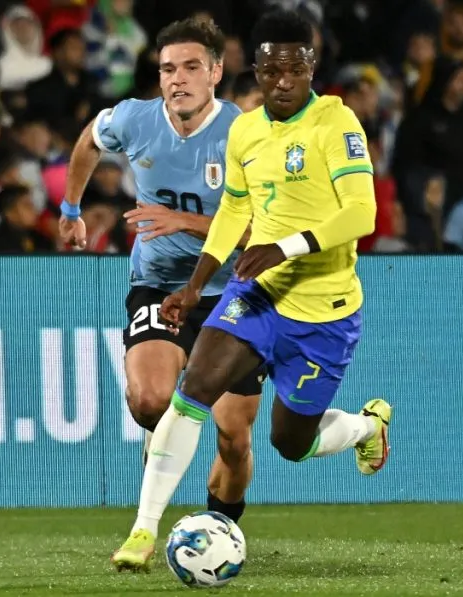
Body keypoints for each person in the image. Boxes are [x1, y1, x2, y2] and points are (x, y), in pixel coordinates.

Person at [106, 9, 391, 572]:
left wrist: (286, 247)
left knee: (292, 442)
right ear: (254, 69)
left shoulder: (337, 124)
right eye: (270, 68)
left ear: (312, 66)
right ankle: (142, 532)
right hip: (257, 297)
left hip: (324, 311)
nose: (282, 80)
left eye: (295, 67)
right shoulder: (247, 129)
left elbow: (362, 212)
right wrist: (193, 287)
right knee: (194, 390)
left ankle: (367, 425)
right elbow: (235, 208)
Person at [57, 16, 264, 567]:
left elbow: (266, 229)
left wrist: (183, 221)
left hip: (233, 293)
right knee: (150, 402)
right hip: (159, 283)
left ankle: (220, 530)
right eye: (168, 68)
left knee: (233, 436)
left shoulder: (248, 133)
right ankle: (152, 506)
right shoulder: (134, 119)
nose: (177, 79)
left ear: (217, 72)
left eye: (191, 67)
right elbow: (87, 141)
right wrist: (71, 209)